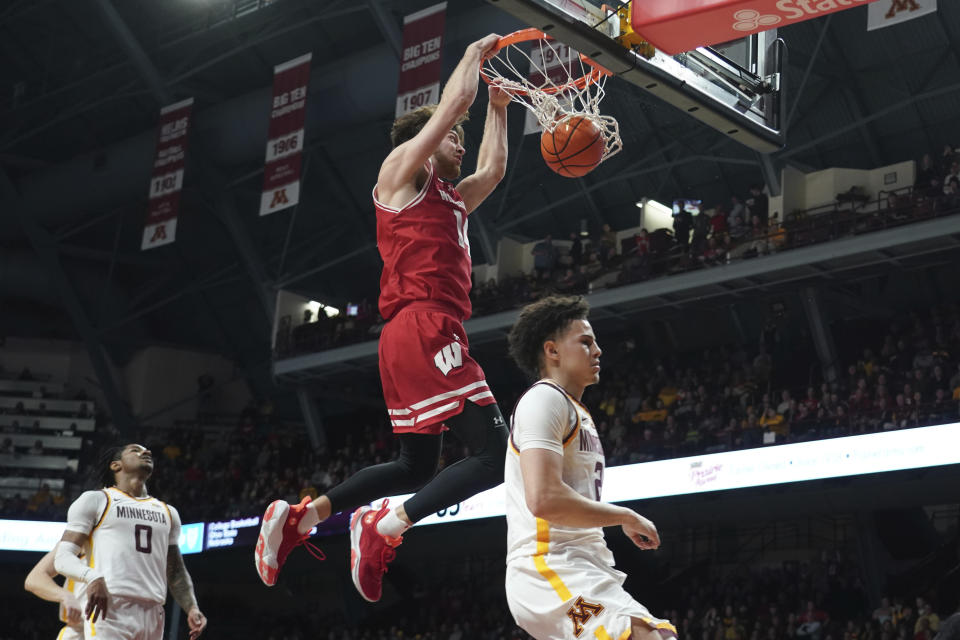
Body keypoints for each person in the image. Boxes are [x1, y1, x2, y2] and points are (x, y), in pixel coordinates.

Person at [256, 33, 511, 603]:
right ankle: (382, 525)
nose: (460, 147)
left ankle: (302, 517)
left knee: (414, 464)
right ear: (425, 141)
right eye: (454, 139)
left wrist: (497, 110)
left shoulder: (451, 199)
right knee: (496, 454)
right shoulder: (398, 173)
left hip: (414, 334)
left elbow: (492, 172)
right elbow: (450, 107)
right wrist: (472, 58)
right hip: (424, 328)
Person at [503, 295, 677, 640]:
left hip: (586, 566)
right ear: (552, 351)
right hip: (548, 568)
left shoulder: (575, 410)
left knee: (661, 636)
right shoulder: (544, 399)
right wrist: (624, 516)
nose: (598, 351)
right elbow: (544, 499)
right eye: (585, 342)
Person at [53, 444, 207, 640]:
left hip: (153, 611)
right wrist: (92, 576)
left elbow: (176, 570)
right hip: (111, 606)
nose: (147, 452)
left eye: (147, 450)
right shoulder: (96, 500)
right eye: (135, 450)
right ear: (116, 465)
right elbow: (62, 558)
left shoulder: (169, 512)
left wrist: (191, 606)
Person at [24, 544, 84, 640]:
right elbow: (33, 579)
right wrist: (66, 595)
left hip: (110, 626)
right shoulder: (78, 537)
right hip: (79, 631)